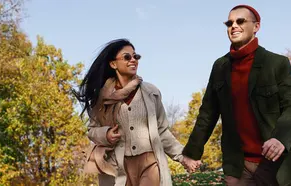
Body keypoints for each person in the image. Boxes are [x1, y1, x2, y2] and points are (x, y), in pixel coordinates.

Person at [181, 4, 291, 186]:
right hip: (238, 167)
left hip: (273, 163)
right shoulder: (220, 67)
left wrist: (280, 138)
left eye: (240, 21)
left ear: (256, 26)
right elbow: (207, 114)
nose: (234, 26)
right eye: (229, 23)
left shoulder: (277, 63)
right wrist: (192, 152)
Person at [75, 39, 201, 186]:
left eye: (136, 56)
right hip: (119, 166)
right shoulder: (102, 98)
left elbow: (162, 131)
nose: (133, 60)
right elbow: (92, 130)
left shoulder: (151, 92)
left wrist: (183, 156)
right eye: (127, 57)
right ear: (113, 64)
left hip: (150, 162)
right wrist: (106, 134)